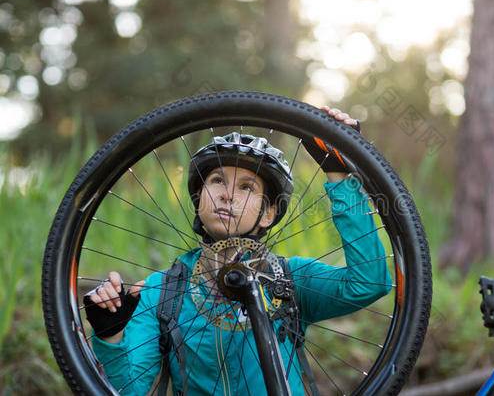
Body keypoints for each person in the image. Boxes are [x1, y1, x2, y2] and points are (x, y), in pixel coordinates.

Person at [83, 106, 392, 395]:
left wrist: (338, 174)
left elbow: (368, 283)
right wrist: (111, 333)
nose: (227, 195)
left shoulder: (287, 279)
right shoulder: (161, 292)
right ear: (199, 198)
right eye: (217, 180)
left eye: (247, 187)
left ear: (269, 214)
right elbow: (130, 390)